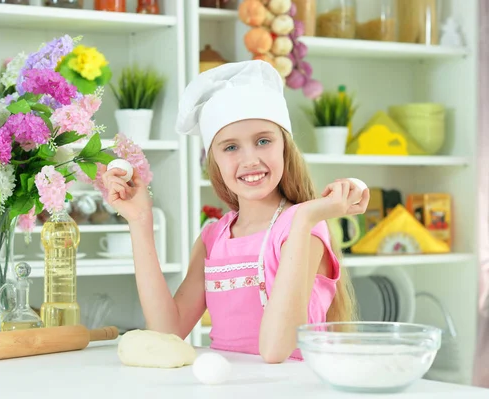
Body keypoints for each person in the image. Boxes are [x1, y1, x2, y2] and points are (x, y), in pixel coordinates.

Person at [100, 60, 370, 363]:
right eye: (230, 147)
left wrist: (305, 216)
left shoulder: (303, 229)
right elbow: (167, 330)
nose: (250, 159)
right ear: (213, 159)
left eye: (263, 141)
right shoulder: (213, 238)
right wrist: (139, 221)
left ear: (285, 147)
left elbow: (275, 350)